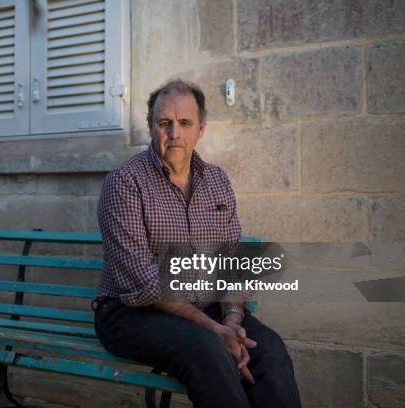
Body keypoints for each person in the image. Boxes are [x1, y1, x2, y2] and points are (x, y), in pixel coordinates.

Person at [93, 79, 302, 408]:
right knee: (207, 349)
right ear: (151, 127)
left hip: (209, 310)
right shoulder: (124, 183)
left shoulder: (217, 180)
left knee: (270, 349)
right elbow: (143, 283)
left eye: (185, 123)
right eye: (165, 123)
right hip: (130, 313)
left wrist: (232, 322)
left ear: (200, 129)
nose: (175, 133)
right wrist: (215, 330)